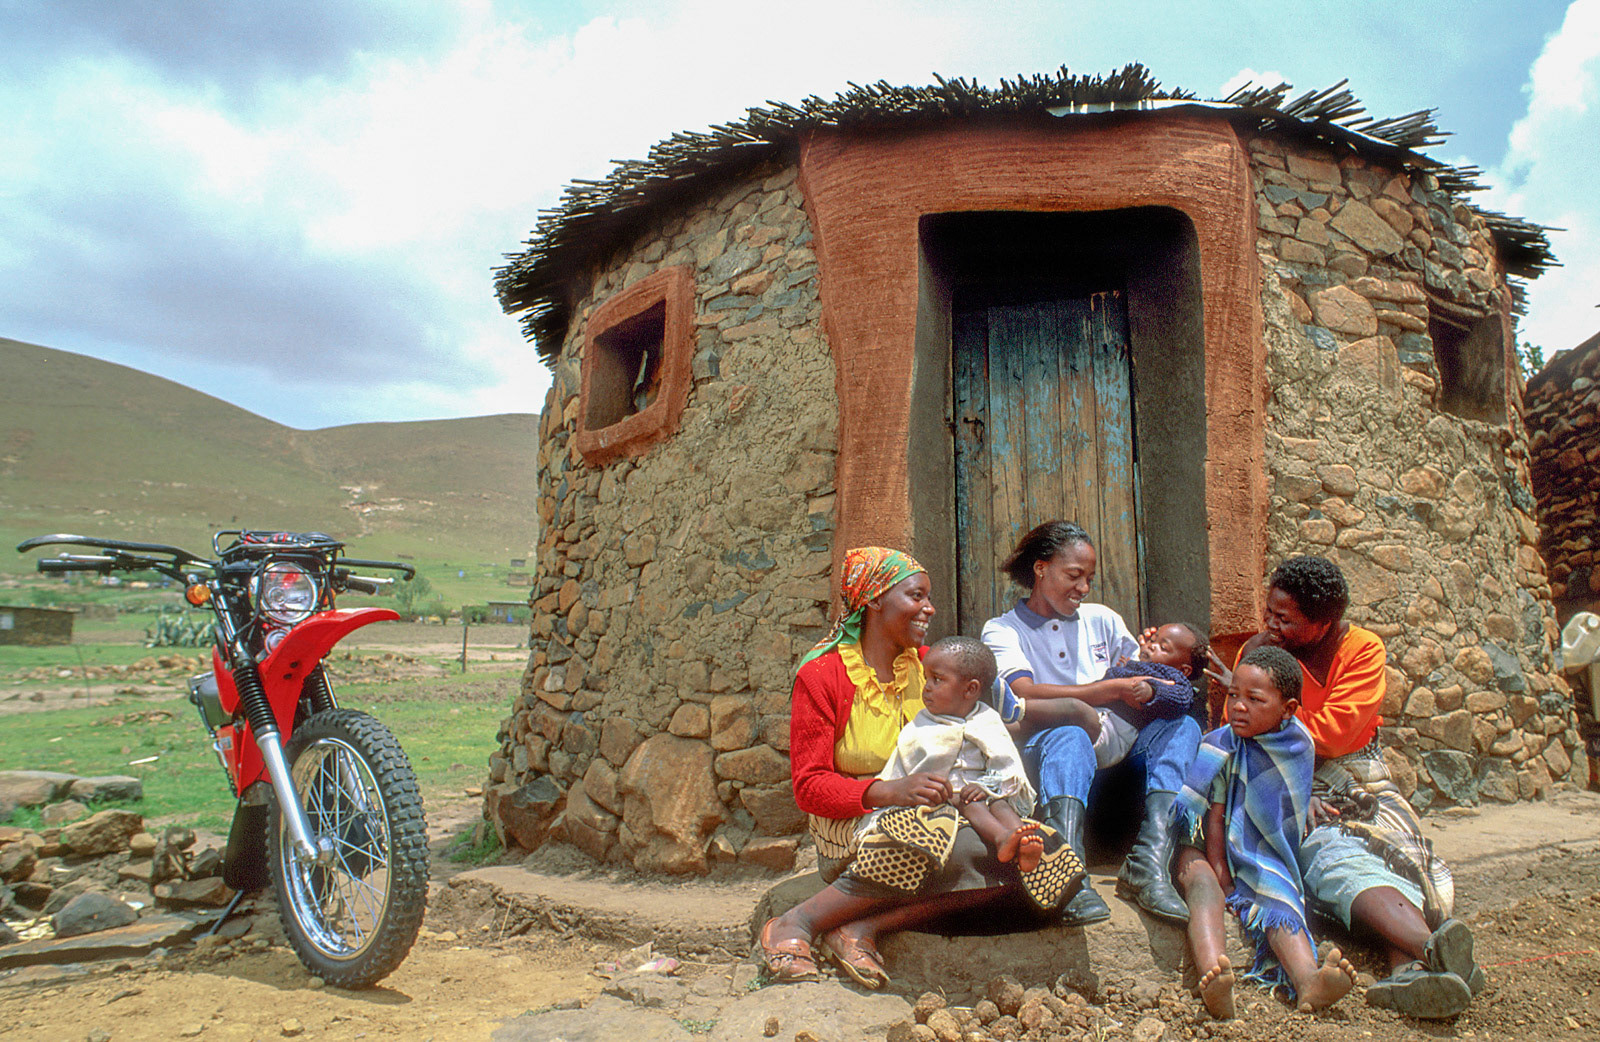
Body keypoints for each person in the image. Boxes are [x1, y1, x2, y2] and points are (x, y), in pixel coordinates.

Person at [762, 547, 1077, 990]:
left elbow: (1005, 705)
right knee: (935, 842)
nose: (929, 608)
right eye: (916, 596)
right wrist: (888, 792)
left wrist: (1078, 711)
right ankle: (795, 923)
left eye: (928, 597)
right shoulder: (824, 674)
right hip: (858, 825)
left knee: (1039, 864)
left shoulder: (933, 666)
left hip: (940, 816)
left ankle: (862, 928)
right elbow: (809, 787)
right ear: (873, 600)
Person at [1214, 555, 1482, 1018]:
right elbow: (1237, 726)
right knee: (1336, 848)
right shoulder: (1259, 652)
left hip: (1357, 774)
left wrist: (1275, 725)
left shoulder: (1362, 649)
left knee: (1397, 844)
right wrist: (1297, 787)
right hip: (1277, 771)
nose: (1271, 626)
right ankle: (1429, 949)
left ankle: (1413, 970)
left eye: (1287, 620)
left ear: (1325, 623)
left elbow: (1338, 733)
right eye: (1269, 613)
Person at [982, 520, 1201, 926]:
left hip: (1116, 784)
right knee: (1068, 733)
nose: (1083, 588)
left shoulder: (1102, 620)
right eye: (1074, 575)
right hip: (1054, 774)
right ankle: (1064, 873)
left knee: (1183, 727)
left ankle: (1149, 865)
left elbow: (1147, 678)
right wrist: (1101, 695)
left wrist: (1143, 682)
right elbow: (1024, 692)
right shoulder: (1002, 630)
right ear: (1041, 568)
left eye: (1089, 579)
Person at [1173, 645, 1356, 1019]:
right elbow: (1214, 815)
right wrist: (1221, 871)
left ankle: (1308, 981)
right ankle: (1214, 978)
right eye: (1233, 695)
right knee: (1203, 887)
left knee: (1279, 892)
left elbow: (1283, 813)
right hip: (1205, 844)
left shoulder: (1296, 744)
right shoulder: (1220, 746)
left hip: (1262, 852)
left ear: (1287, 709)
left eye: (1254, 699)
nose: (1238, 706)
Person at [859, 636, 1080, 909]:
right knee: (970, 801)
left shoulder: (987, 720)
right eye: (926, 679)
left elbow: (1006, 766)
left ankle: (1020, 838)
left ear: (970, 689)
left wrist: (989, 786)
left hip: (982, 792)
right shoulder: (920, 726)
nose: (926, 688)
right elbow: (902, 769)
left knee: (999, 803)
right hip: (945, 797)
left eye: (936, 680)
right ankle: (1002, 839)